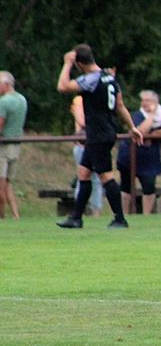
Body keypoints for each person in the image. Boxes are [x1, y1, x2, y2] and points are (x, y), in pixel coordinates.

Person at [56, 45, 143, 229]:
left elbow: (62, 86)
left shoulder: (90, 79)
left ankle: (120, 219)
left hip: (99, 134)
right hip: (103, 132)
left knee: (105, 177)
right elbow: (119, 105)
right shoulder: (109, 77)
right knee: (84, 173)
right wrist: (132, 127)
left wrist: (67, 63)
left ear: (79, 64)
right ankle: (76, 218)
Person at [116, 90, 161, 214]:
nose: (144, 103)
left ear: (155, 102)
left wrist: (154, 134)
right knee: (126, 187)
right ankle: (123, 214)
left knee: (149, 186)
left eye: (148, 101)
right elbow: (141, 131)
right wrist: (151, 115)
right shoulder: (137, 115)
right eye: (143, 100)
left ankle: (146, 216)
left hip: (150, 158)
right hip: (130, 156)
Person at [0, 70, 28, 220]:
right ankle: (15, 215)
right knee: (8, 183)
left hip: (3, 147)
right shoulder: (22, 99)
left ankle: (2, 216)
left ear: (5, 84)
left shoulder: (3, 102)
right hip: (16, 145)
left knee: (1, 183)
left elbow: (0, 124)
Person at [71, 95, 104, 217]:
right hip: (83, 145)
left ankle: (95, 211)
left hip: (97, 142)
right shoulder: (80, 100)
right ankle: (80, 210)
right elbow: (82, 121)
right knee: (83, 178)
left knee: (96, 179)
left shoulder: (99, 98)